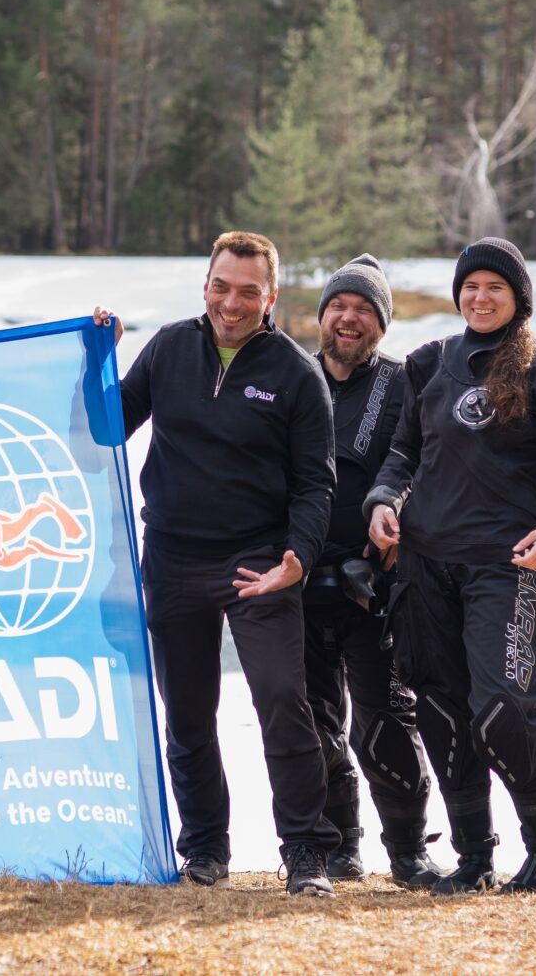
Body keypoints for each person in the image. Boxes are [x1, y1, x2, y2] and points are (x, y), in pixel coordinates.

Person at [366, 237, 536, 893]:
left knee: (499, 708)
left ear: (518, 298)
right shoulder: (426, 364)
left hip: (504, 569)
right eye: (470, 286)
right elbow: (401, 454)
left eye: (494, 287)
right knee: (443, 711)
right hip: (424, 566)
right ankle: (475, 856)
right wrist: (383, 499)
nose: (480, 297)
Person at [121, 231, 339, 897]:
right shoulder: (166, 349)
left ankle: (306, 853)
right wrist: (93, 349)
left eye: (249, 291)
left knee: (280, 698)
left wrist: (297, 558)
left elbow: (316, 483)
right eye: (222, 286)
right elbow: (104, 424)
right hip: (174, 556)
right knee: (187, 712)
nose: (232, 302)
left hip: (258, 562)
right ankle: (206, 850)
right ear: (205, 285)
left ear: (271, 297)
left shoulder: (296, 373)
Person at [302, 256, 442, 889]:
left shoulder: (407, 381)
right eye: (340, 306)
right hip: (296, 579)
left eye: (364, 309)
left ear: (381, 323)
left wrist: (399, 521)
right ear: (322, 314)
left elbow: (425, 462)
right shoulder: (291, 376)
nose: (349, 318)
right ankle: (339, 846)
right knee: (312, 722)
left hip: (375, 583)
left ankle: (408, 851)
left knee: (386, 720)